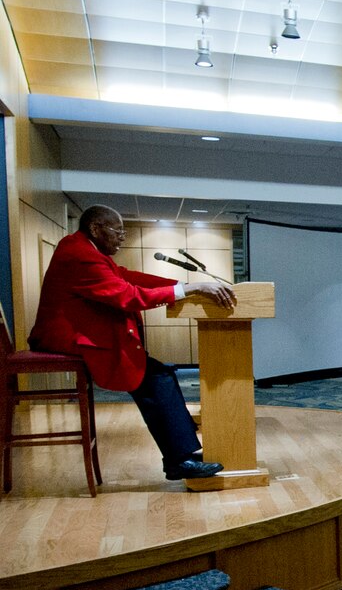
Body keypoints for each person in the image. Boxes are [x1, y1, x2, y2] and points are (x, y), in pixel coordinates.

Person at [28, 204, 233, 481]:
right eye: (118, 231)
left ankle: (181, 455)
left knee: (159, 375)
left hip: (77, 334)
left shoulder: (84, 248)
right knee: (155, 378)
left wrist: (183, 285)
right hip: (66, 340)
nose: (122, 237)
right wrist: (189, 289)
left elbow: (125, 276)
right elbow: (127, 295)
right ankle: (179, 459)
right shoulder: (80, 254)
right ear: (96, 228)